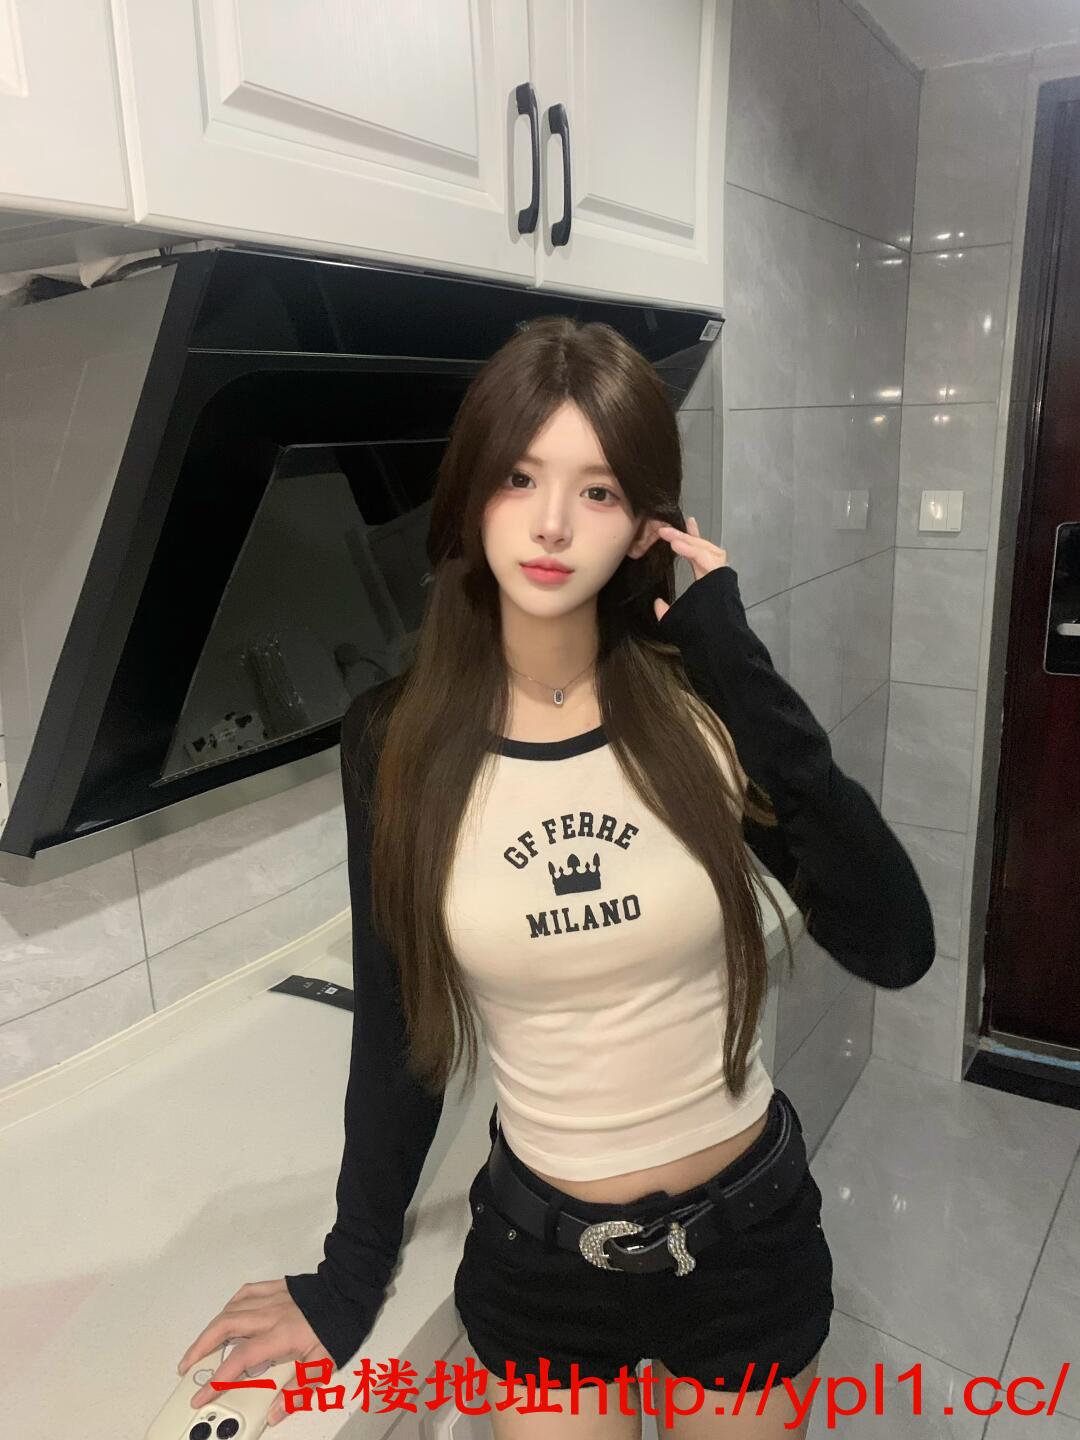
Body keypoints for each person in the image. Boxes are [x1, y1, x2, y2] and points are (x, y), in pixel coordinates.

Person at [176, 316, 936, 1435]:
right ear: (469, 495)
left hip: (745, 1246)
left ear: (645, 525)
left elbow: (893, 941)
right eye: (520, 477)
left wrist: (738, 665)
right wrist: (346, 1278)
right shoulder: (394, 740)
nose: (549, 524)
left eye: (598, 490)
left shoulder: (699, 698)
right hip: (540, 1265)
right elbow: (398, 1026)